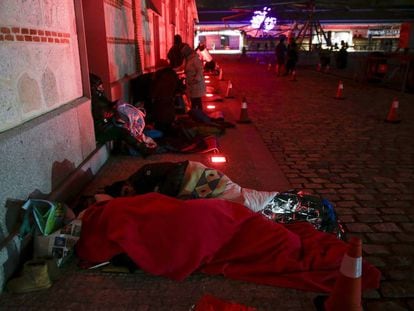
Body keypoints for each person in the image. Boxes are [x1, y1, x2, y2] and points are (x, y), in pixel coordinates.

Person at [149, 59, 183, 133]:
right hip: (169, 102)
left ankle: (161, 137)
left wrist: (152, 97)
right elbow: (179, 88)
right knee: (167, 122)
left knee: (160, 124)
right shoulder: (172, 74)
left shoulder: (159, 75)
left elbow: (155, 90)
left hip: (160, 104)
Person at [181, 43, 206, 111]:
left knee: (196, 101)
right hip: (192, 84)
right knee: (195, 101)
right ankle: (198, 116)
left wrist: (195, 80)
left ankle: (199, 116)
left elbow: (200, 69)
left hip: (196, 84)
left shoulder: (194, 59)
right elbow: (185, 67)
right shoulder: (188, 59)